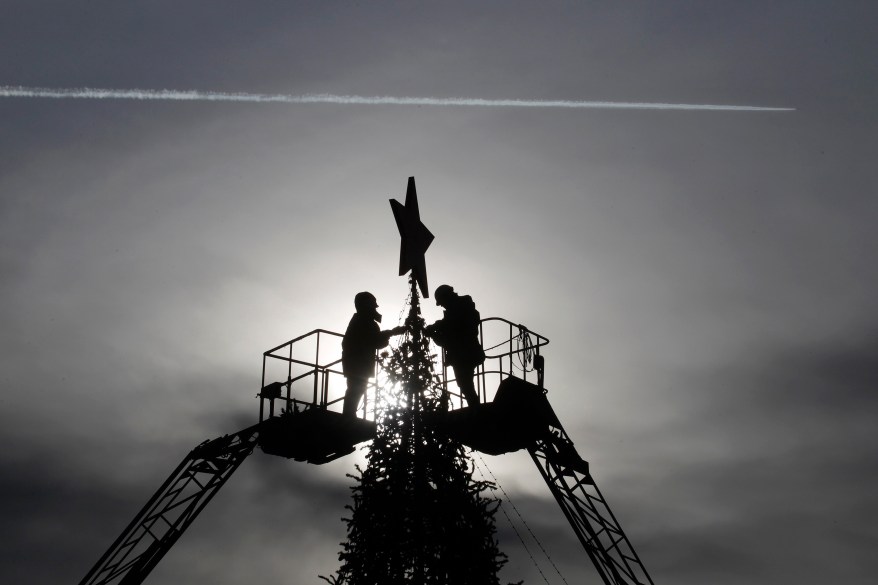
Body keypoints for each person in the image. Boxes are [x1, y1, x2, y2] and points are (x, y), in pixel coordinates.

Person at [342, 292, 404, 417]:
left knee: (357, 388)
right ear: (366, 306)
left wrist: (389, 334)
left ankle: (349, 414)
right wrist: (391, 332)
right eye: (372, 306)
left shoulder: (363, 320)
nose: (374, 309)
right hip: (358, 362)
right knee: (356, 388)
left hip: (358, 362)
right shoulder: (363, 321)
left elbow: (375, 342)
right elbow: (372, 339)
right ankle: (349, 415)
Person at [426, 284, 486, 407]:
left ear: (447, 297)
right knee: (465, 384)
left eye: (441, 302)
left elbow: (451, 333)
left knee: (465, 383)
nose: (441, 305)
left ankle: (476, 408)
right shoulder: (461, 308)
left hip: (464, 353)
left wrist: (434, 331)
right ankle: (475, 407)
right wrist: (436, 329)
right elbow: (449, 328)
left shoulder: (461, 309)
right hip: (463, 353)